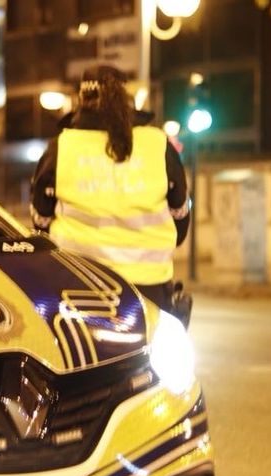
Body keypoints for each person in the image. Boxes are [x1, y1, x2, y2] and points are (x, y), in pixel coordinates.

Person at [31, 65, 193, 325]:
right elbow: (180, 217)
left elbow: (40, 222)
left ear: (81, 100)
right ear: (127, 97)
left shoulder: (62, 146)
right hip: (150, 288)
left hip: (78, 287)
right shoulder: (157, 143)